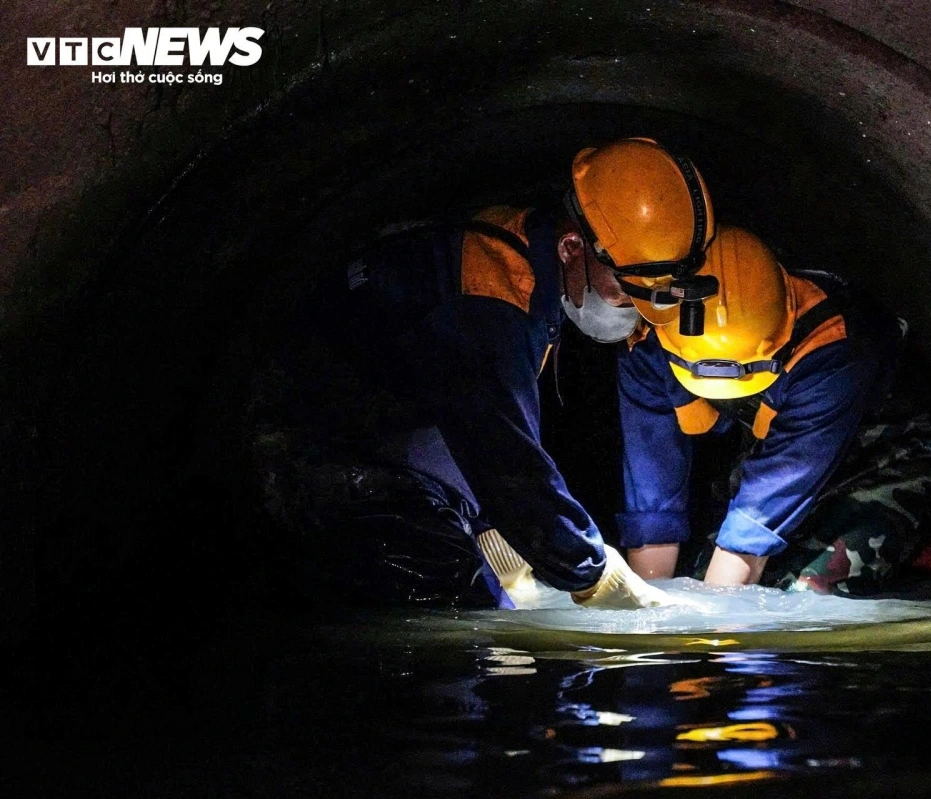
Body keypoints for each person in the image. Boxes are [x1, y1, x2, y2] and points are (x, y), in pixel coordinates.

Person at [253, 138, 715, 609]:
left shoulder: (518, 247)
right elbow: (506, 459)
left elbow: (461, 413)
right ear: (574, 245)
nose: (633, 311)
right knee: (458, 621)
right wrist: (594, 574)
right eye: (627, 291)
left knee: (498, 604)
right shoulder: (489, 302)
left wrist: (494, 532)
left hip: (370, 438)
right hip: (319, 463)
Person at [614, 225, 931, 593]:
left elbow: (758, 516)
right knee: (695, 580)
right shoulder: (654, 338)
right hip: (773, 454)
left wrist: (715, 633)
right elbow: (654, 490)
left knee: (806, 596)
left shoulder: (834, 344)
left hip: (887, 455)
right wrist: (647, 616)